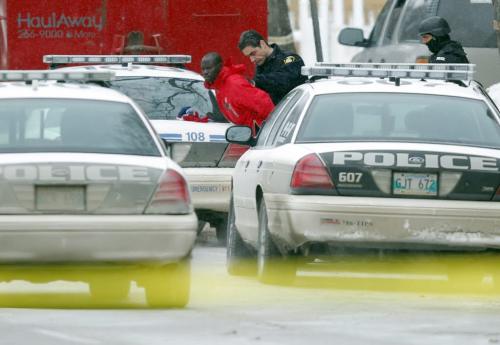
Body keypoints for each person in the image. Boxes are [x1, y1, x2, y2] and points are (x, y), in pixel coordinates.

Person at [201, 52, 274, 134]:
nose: (205, 72)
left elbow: (264, 103)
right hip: (247, 135)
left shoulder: (235, 84)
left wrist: (270, 129)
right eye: (203, 69)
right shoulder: (219, 87)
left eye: (209, 68)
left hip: (262, 134)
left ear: (220, 66)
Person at [238, 29, 307, 105]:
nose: (252, 59)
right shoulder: (260, 65)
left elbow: (283, 81)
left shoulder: (290, 58)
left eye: (253, 53)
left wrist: (255, 81)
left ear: (262, 44)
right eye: (249, 56)